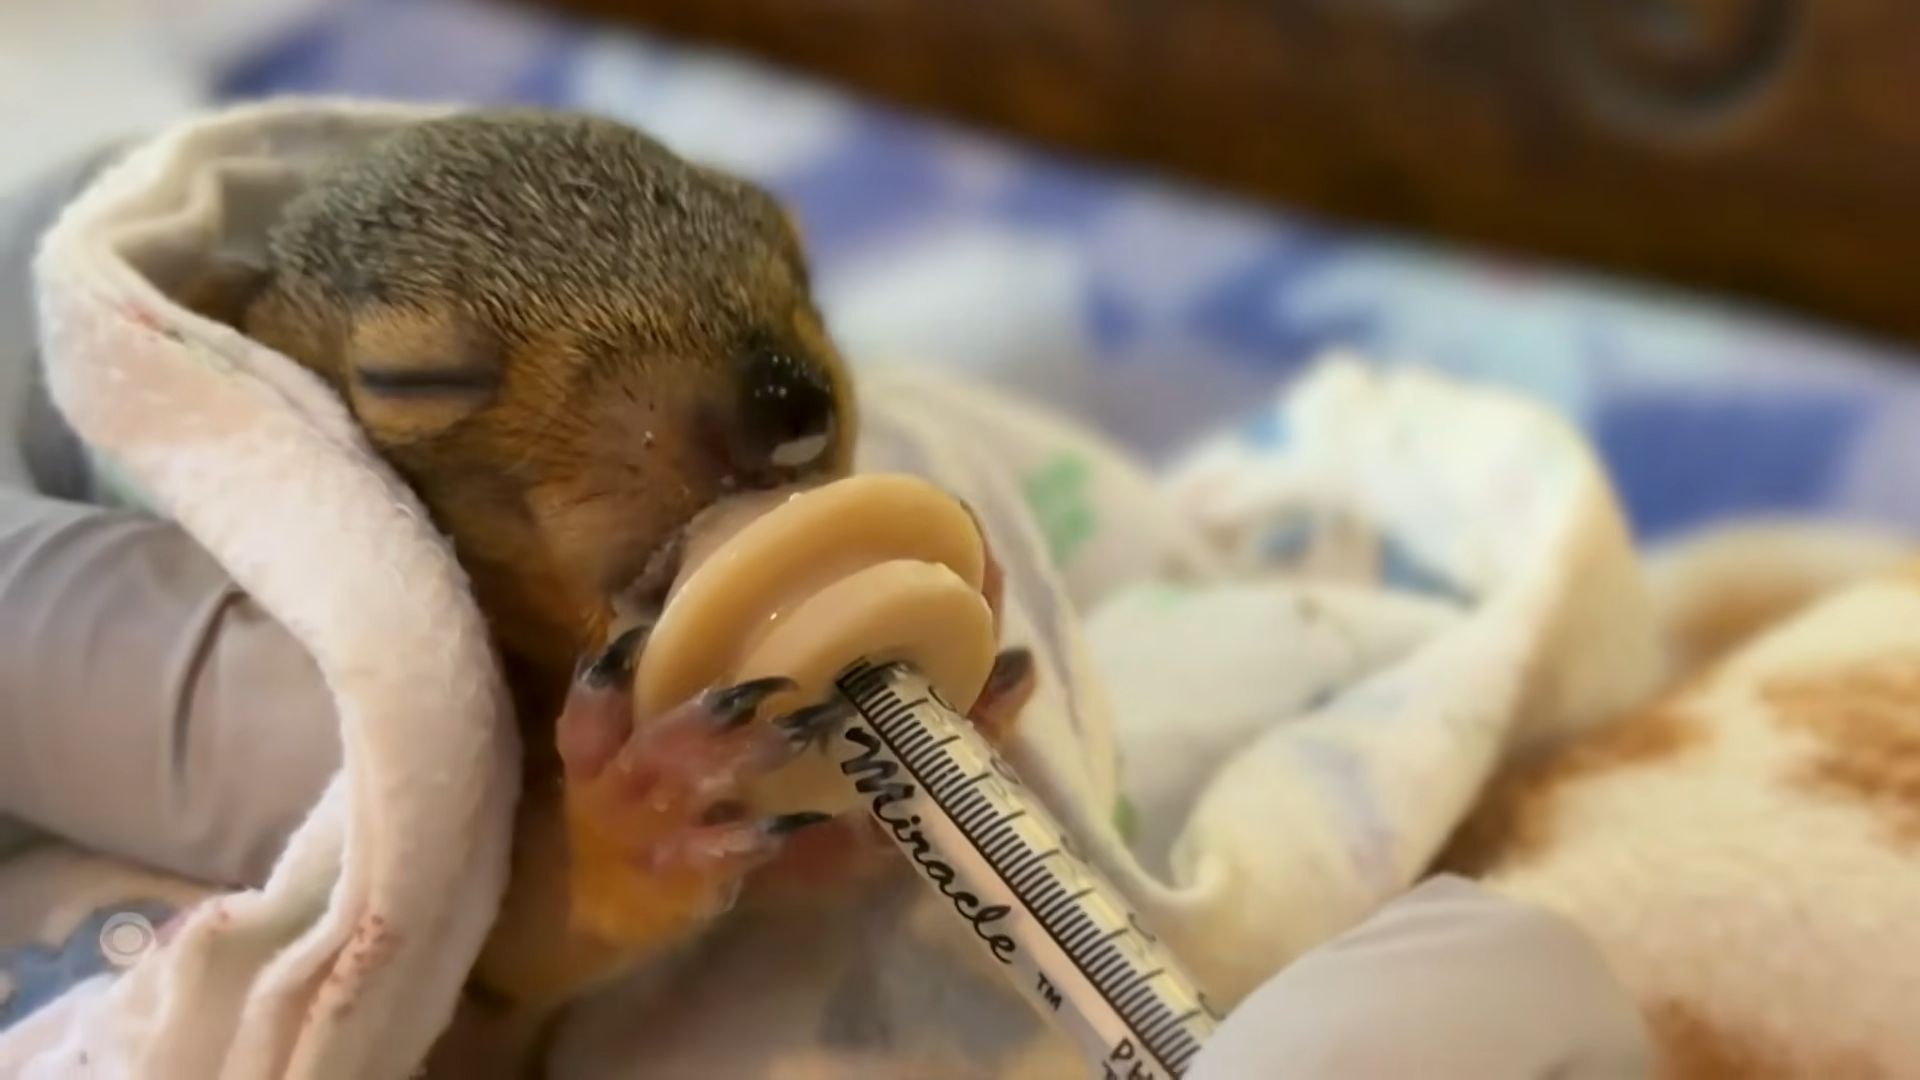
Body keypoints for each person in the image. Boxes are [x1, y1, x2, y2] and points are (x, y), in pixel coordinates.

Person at [0, 143, 1653, 1077]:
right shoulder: (213, 626)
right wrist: (602, 866)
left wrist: (824, 812)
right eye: (436, 380)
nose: (728, 457)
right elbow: (453, 986)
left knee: (1500, 972)